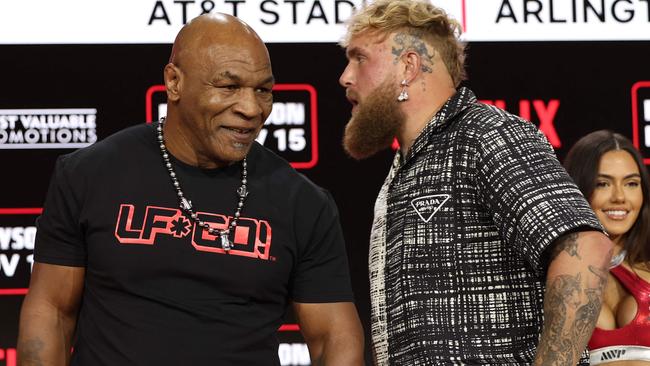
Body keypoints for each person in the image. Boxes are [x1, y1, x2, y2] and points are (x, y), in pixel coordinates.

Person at [17, 13, 364, 366]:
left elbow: (333, 338)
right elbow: (52, 312)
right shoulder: (88, 175)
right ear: (174, 82)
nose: (251, 108)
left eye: (263, 90)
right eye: (229, 87)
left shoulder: (303, 202)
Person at [338, 0, 613, 364]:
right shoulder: (403, 172)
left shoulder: (485, 134)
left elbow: (584, 248)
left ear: (408, 66)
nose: (345, 76)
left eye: (359, 58)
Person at [564, 130, 650, 365]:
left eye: (631, 183)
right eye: (603, 183)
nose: (620, 197)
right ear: (577, 188)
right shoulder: (552, 277)